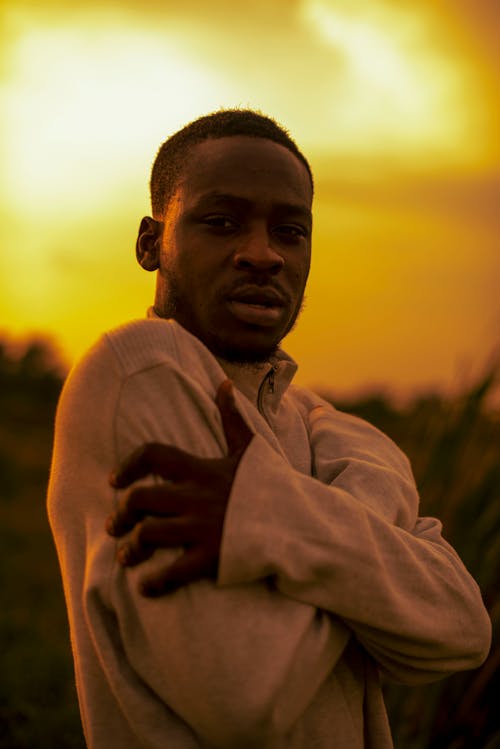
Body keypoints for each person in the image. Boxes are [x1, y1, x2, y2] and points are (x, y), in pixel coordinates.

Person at [47, 109, 491, 749]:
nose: (263, 255)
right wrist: (374, 533)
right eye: (221, 221)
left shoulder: (323, 433)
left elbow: (463, 629)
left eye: (290, 230)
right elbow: (244, 696)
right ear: (151, 242)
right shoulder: (143, 369)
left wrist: (278, 511)